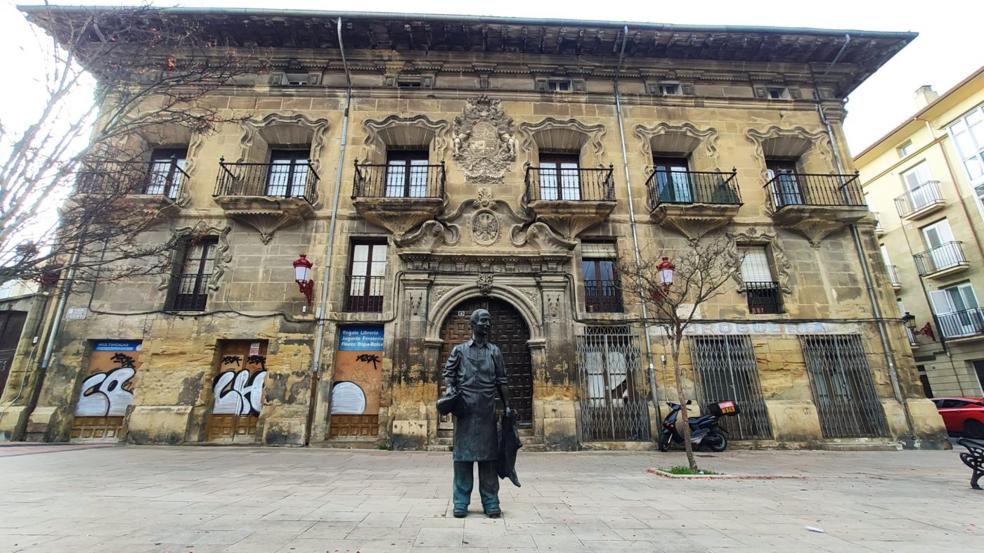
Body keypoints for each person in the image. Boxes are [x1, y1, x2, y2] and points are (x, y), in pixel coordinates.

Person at [442, 308, 512, 518]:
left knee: (489, 458)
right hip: (464, 410)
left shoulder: (494, 351)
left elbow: (502, 380)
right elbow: (449, 373)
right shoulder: (460, 350)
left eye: (489, 321)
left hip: (487, 410)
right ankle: (461, 502)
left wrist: (507, 405)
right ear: (472, 325)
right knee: (462, 458)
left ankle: (491, 501)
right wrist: (450, 389)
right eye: (483, 321)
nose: (487, 325)